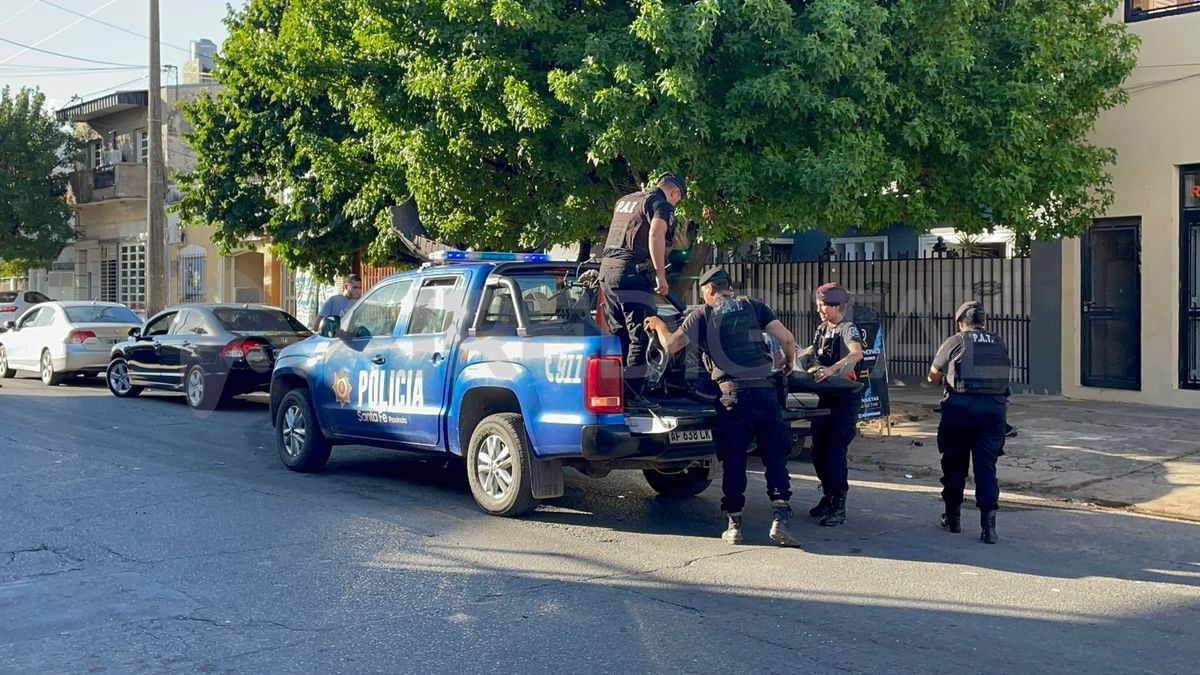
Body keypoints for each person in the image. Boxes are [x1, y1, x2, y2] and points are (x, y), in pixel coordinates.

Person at [644, 267, 800, 547]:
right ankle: (780, 517)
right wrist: (789, 363)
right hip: (766, 392)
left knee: (734, 460)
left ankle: (734, 525)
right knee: (775, 455)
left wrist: (657, 324)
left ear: (709, 289)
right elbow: (787, 339)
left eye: (702, 291)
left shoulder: (702, 314)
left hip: (733, 395)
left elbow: (671, 345)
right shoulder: (754, 305)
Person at [928, 300, 1011, 544]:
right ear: (985, 321)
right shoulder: (998, 342)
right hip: (994, 412)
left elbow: (934, 375)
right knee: (987, 468)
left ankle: (953, 518)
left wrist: (939, 380)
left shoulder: (956, 341)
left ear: (960, 323)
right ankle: (989, 528)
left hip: (961, 410)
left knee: (955, 466)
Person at [599, 173, 686, 398]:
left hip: (607, 272)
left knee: (619, 336)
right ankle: (634, 396)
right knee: (641, 334)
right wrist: (660, 274)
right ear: (675, 193)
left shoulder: (626, 200)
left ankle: (617, 393)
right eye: (678, 200)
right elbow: (656, 234)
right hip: (631, 274)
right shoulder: (660, 204)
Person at [807, 282, 864, 527]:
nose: (819, 310)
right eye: (818, 305)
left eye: (823, 306)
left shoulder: (847, 328)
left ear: (837, 306)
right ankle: (827, 496)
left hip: (844, 401)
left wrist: (831, 369)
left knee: (834, 453)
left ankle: (838, 505)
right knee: (818, 452)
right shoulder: (822, 329)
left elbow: (856, 353)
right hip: (825, 398)